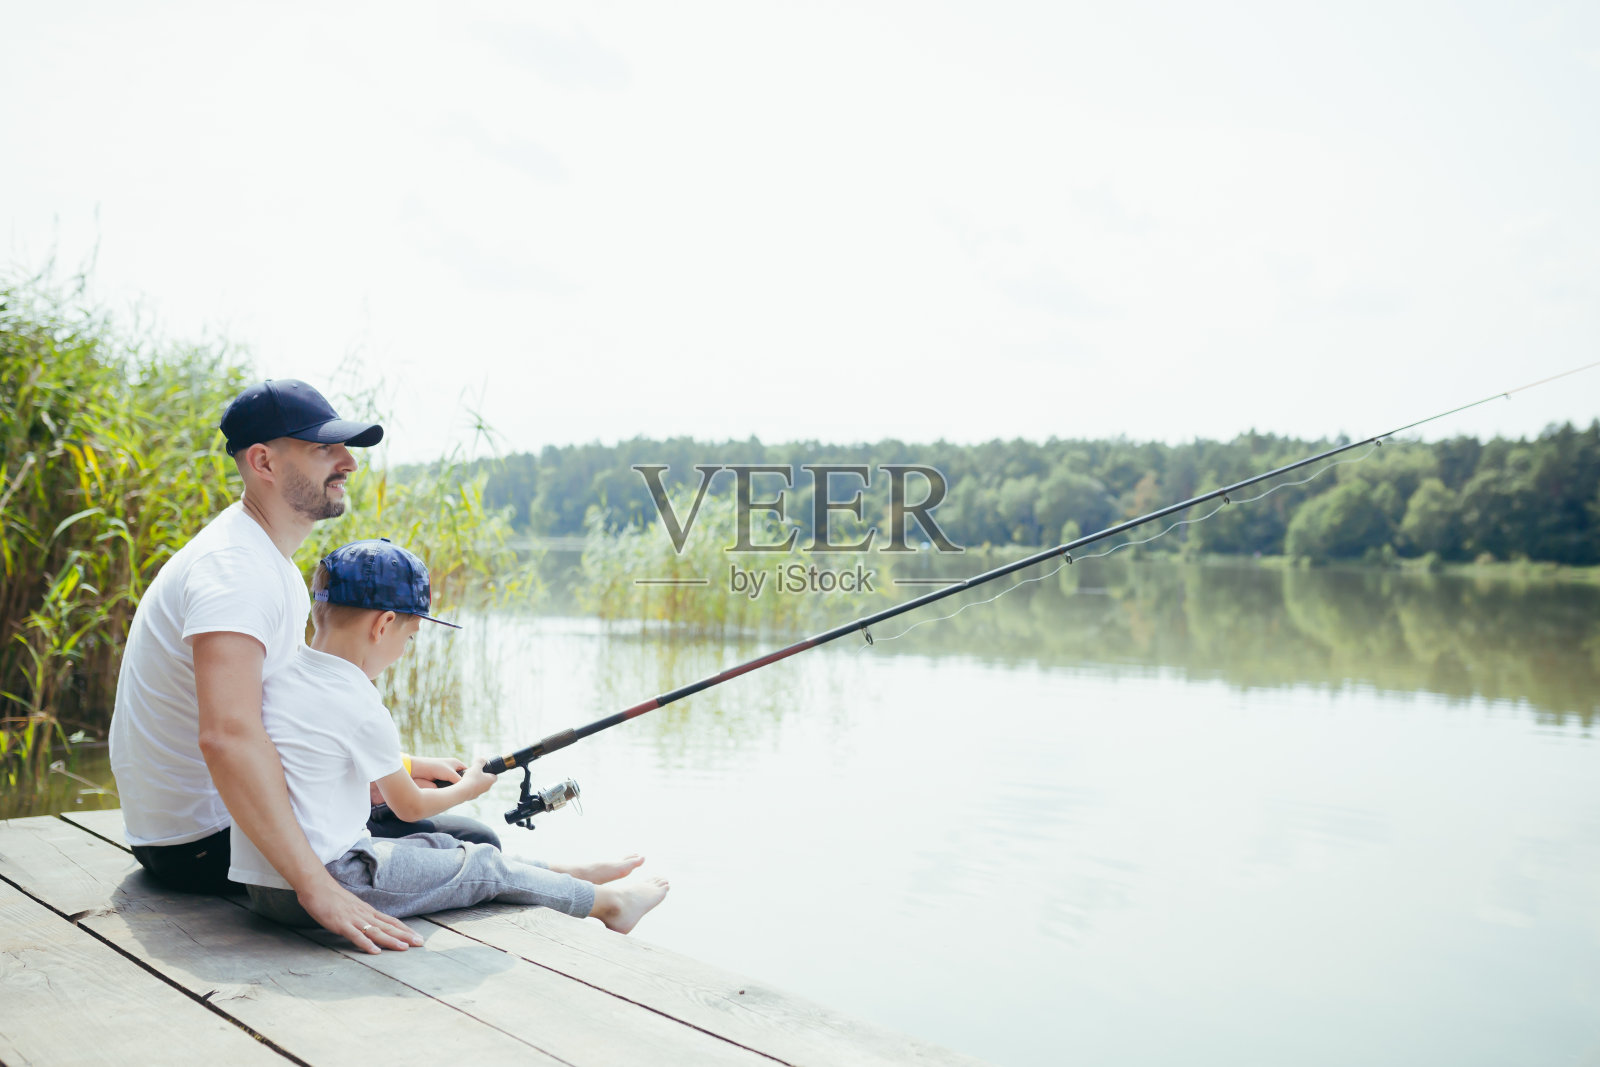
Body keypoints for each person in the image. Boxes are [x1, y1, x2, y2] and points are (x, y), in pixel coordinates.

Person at [108, 379, 490, 953]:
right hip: (198, 844)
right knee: (467, 838)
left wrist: (403, 764)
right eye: (323, 450)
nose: (349, 464)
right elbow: (228, 737)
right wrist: (316, 887)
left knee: (446, 829)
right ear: (262, 460)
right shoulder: (235, 572)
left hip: (205, 826)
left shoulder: (266, 559)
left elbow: (280, 717)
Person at [235, 539, 670, 933]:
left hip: (264, 885)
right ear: (383, 625)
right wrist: (469, 788)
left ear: (319, 610)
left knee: (442, 845)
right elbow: (408, 807)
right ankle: (608, 904)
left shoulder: (281, 673)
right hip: (332, 885)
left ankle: (565, 873)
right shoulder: (359, 701)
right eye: (409, 637)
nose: (405, 650)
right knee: (481, 863)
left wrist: (419, 765)